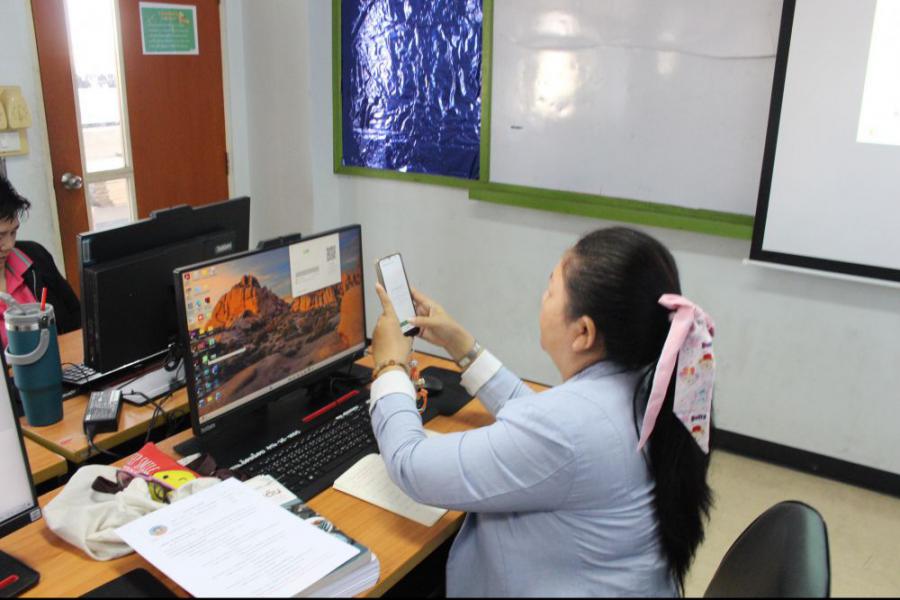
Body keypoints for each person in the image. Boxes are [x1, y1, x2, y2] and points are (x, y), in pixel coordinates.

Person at [369, 227, 714, 597]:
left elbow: (411, 464)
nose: (542, 297)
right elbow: (543, 424)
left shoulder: (570, 427)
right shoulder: (646, 385)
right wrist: (462, 346)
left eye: (551, 289)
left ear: (583, 333)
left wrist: (390, 365)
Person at [0, 173, 80, 347]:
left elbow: (76, 317)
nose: (9, 245)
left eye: (13, 232)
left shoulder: (35, 256)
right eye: (0, 236)